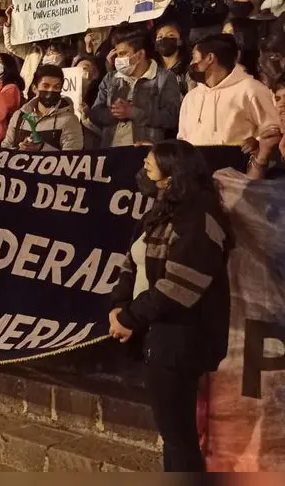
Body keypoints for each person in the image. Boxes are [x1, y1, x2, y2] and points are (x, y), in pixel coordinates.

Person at [108, 140, 231, 472]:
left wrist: (130, 317)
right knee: (172, 436)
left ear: (173, 174)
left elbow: (178, 287)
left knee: (179, 439)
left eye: (149, 167)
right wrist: (119, 305)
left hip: (180, 341)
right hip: (158, 338)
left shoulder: (199, 220)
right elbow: (132, 262)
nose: (143, 172)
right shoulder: (160, 213)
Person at [90, 25, 182, 148]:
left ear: (139, 55)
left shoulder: (164, 78)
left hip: (145, 151)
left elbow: (171, 118)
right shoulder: (110, 78)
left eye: (123, 54)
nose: (118, 59)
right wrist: (115, 112)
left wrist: (133, 112)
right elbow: (95, 114)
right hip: (110, 150)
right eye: (117, 54)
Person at [178, 34, 278, 146]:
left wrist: (257, 144)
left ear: (210, 58)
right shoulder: (191, 97)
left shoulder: (252, 90)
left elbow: (273, 130)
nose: (191, 63)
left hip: (238, 157)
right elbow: (182, 139)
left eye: (194, 57)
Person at [1, 64, 84, 151]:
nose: (51, 90)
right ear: (34, 88)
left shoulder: (69, 120)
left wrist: (42, 148)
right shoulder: (19, 116)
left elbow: (72, 156)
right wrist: (20, 149)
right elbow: (5, 149)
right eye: (46, 86)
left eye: (56, 87)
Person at [247, 68, 285, 180]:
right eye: (277, 99)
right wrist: (262, 154)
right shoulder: (273, 137)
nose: (281, 104)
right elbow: (249, 187)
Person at [154, 21, 191, 96]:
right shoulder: (152, 69)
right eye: (160, 37)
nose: (164, 39)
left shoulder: (187, 70)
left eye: (171, 35)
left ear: (180, 41)